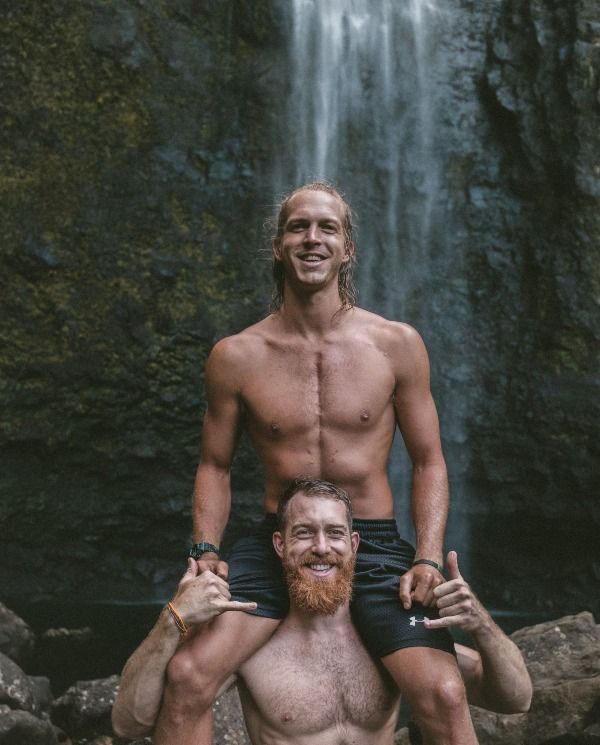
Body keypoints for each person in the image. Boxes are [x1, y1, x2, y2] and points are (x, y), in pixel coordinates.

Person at [156, 182, 476, 744]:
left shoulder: (395, 345)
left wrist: (426, 555)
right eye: (298, 227)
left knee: (445, 694)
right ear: (278, 246)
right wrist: (205, 550)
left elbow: (429, 461)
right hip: (279, 541)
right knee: (187, 676)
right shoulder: (237, 356)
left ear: (347, 247)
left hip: (373, 544)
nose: (313, 238)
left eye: (327, 228)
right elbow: (215, 465)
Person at [112, 480, 532, 743]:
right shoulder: (250, 650)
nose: (320, 547)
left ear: (355, 545)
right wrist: (172, 620)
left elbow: (516, 698)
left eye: (334, 534)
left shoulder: (391, 643)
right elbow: (129, 724)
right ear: (279, 546)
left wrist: (481, 625)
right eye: (303, 534)